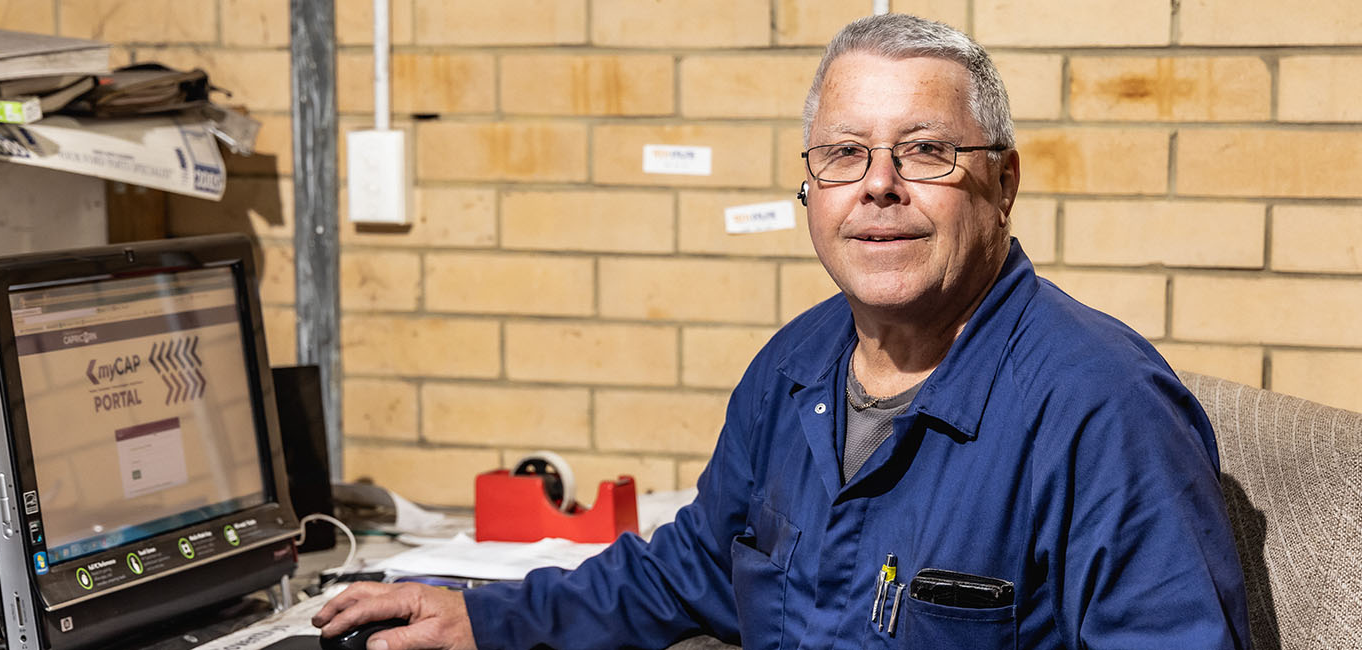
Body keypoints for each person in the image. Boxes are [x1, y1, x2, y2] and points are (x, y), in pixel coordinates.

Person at [313, 14, 1250, 650]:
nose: (878, 185)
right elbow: (688, 572)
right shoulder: (796, 368)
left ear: (1003, 184)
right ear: (813, 188)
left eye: (925, 150)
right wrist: (485, 621)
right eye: (844, 154)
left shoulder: (1102, 408)